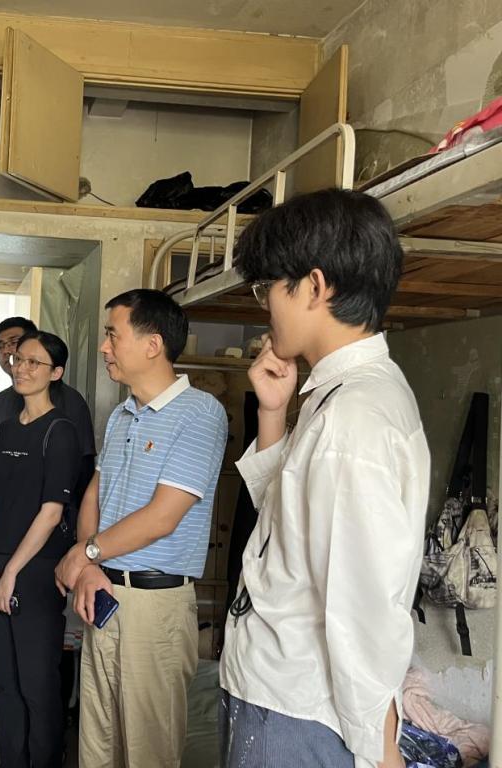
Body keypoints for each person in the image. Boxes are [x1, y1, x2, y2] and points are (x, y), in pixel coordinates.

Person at [218, 189, 430, 768]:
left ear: (314, 287)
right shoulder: (340, 395)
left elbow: (360, 606)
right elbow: (289, 524)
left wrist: (381, 749)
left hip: (295, 708)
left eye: (269, 286)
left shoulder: (352, 418)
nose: (266, 304)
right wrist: (273, 414)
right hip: (278, 692)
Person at [55, 288, 228, 768]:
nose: (104, 347)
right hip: (104, 592)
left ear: (153, 345)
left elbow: (162, 517)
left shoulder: (201, 413)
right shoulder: (121, 414)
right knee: (97, 745)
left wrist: (85, 554)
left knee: (147, 752)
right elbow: (95, 493)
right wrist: (91, 567)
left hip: (154, 605)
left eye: (113, 335)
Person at [0, 316, 96, 753]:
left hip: (37, 570)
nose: (21, 368)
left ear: (56, 373)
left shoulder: (61, 432)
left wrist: (11, 574)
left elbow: (51, 512)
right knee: (6, 683)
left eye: (34, 362)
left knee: (37, 684)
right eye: (18, 359)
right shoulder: (1, 429)